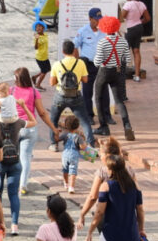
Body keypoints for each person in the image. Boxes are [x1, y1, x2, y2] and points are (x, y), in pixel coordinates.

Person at [12, 67, 59, 196]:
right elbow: (42, 113)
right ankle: (23, 185)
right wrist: (53, 128)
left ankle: (13, 181)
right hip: (30, 128)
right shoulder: (34, 92)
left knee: (13, 156)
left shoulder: (12, 91)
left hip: (14, 128)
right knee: (25, 157)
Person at [48, 39, 96, 152]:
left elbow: (51, 83)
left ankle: (53, 144)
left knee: (53, 120)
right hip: (76, 96)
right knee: (85, 121)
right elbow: (85, 79)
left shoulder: (57, 64)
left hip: (60, 95)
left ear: (63, 51)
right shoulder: (80, 63)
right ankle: (91, 146)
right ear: (74, 51)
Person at [93, 16, 135, 141]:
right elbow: (127, 60)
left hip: (104, 71)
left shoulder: (102, 42)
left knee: (98, 98)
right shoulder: (123, 41)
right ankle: (127, 125)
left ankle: (104, 127)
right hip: (117, 71)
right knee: (119, 100)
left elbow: (97, 62)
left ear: (104, 28)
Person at [73, 8, 109, 127]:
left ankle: (106, 115)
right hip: (87, 65)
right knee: (87, 91)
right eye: (95, 19)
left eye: (99, 19)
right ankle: (89, 115)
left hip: (101, 65)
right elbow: (75, 46)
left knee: (104, 90)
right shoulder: (83, 31)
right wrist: (78, 63)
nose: (98, 22)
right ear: (90, 18)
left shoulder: (104, 31)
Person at [119, 0, 150, 82]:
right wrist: (139, 22)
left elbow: (121, 18)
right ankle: (137, 75)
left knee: (124, 51)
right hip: (139, 28)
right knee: (136, 51)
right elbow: (148, 18)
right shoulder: (142, 4)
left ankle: (121, 74)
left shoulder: (128, 5)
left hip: (130, 29)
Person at [58, 116, 86, 193]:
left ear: (66, 126)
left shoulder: (65, 135)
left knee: (65, 170)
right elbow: (82, 147)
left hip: (65, 155)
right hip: (74, 155)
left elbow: (57, 139)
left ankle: (66, 183)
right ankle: (71, 187)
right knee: (73, 171)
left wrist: (57, 133)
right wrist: (84, 142)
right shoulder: (78, 137)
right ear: (77, 126)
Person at [32, 21, 50, 90]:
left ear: (43, 28)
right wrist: (36, 39)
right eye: (37, 27)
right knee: (44, 71)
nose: (38, 28)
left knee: (48, 69)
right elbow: (36, 47)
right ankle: (38, 85)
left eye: (40, 26)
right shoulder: (37, 37)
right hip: (40, 57)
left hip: (45, 56)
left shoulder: (45, 35)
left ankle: (35, 77)